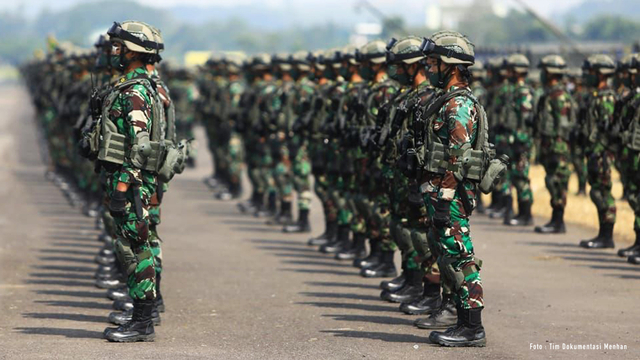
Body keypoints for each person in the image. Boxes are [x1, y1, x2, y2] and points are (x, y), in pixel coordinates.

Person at [417, 30, 487, 347]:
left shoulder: (458, 105)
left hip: (452, 195)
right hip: (439, 192)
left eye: (433, 61)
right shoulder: (443, 101)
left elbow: (458, 160)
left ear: (451, 65)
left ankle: (472, 328)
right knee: (447, 255)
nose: (428, 67)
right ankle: (461, 321)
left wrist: (444, 199)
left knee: (459, 255)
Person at [533, 55, 575, 235]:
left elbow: (563, 126)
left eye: (543, 71)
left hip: (558, 148)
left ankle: (558, 222)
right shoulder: (549, 94)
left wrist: (558, 149)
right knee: (552, 182)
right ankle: (555, 220)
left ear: (550, 73)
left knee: (557, 182)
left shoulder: (559, 96)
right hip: (549, 146)